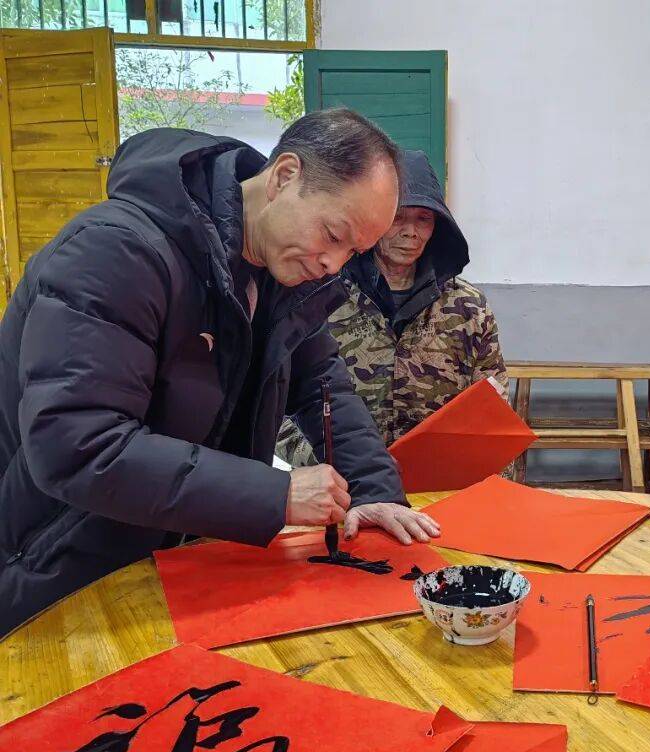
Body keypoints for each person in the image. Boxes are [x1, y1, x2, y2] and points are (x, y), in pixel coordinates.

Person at [0, 110, 440, 636]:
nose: (334, 265)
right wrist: (274, 495)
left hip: (175, 571)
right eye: (332, 234)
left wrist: (374, 490)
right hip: (56, 570)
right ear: (284, 177)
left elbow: (323, 385)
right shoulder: (115, 253)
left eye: (354, 252)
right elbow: (77, 446)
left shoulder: (283, 275)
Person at [277, 149, 507, 464]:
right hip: (345, 483)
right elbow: (275, 407)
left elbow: (493, 405)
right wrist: (331, 465)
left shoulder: (468, 308)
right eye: (398, 217)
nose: (411, 232)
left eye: (423, 219)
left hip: (440, 480)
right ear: (374, 220)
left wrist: (473, 468)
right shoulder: (318, 300)